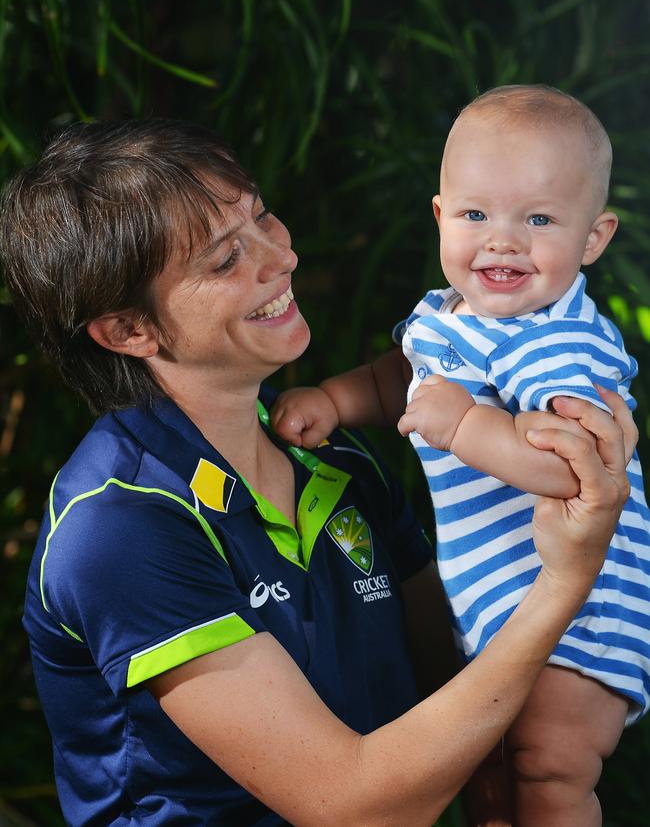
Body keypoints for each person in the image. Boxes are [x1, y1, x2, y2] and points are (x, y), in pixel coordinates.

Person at [0, 118, 634, 827]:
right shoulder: (121, 526)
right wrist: (565, 580)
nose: (280, 256)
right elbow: (355, 806)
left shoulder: (335, 458)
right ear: (128, 331)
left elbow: (463, 697)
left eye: (262, 216)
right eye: (224, 259)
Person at [271, 85, 650, 826]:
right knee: (487, 775)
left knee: (548, 767)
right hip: (492, 600)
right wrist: (338, 401)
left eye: (538, 219)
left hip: (584, 610)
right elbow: (405, 382)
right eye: (476, 214)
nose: (502, 240)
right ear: (442, 216)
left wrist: (468, 424)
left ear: (593, 238)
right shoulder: (446, 314)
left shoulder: (559, 344)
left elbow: (577, 473)